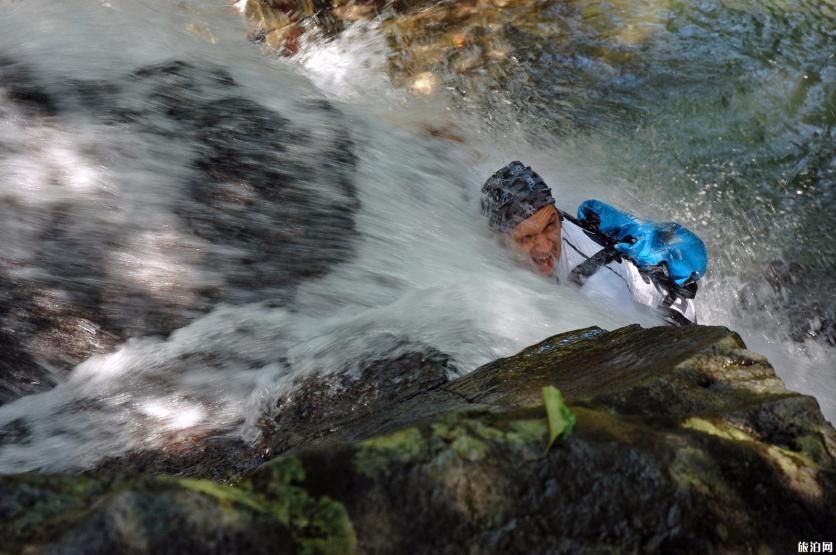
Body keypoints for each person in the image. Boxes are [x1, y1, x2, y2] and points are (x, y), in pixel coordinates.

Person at [481, 161, 699, 325]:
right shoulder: (516, 218)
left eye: (550, 226)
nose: (546, 248)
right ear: (498, 236)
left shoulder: (598, 286)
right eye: (527, 238)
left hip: (673, 324)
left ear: (556, 214)